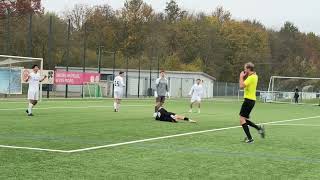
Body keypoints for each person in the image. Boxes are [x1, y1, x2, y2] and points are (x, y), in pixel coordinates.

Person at [239, 62, 265, 143]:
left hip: (248, 100)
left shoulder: (251, 77)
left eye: (245, 68)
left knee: (242, 120)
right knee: (245, 120)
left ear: (248, 69)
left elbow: (241, 86)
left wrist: (241, 77)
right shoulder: (254, 76)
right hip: (251, 100)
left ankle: (250, 139)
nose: (244, 70)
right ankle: (259, 129)